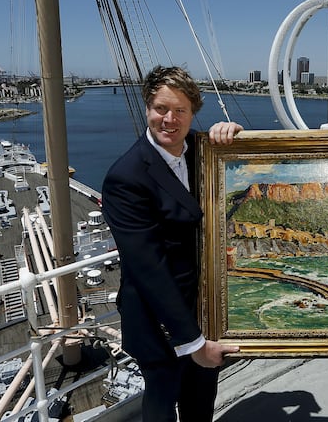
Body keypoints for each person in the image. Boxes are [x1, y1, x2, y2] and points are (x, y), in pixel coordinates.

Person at [101, 65, 242, 421]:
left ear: (193, 112)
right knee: (161, 403)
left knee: (201, 402)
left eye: (180, 110)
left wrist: (236, 137)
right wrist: (193, 343)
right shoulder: (126, 177)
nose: (169, 119)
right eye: (161, 108)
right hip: (157, 321)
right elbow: (148, 269)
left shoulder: (202, 151)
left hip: (203, 309)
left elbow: (245, 167)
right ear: (147, 108)